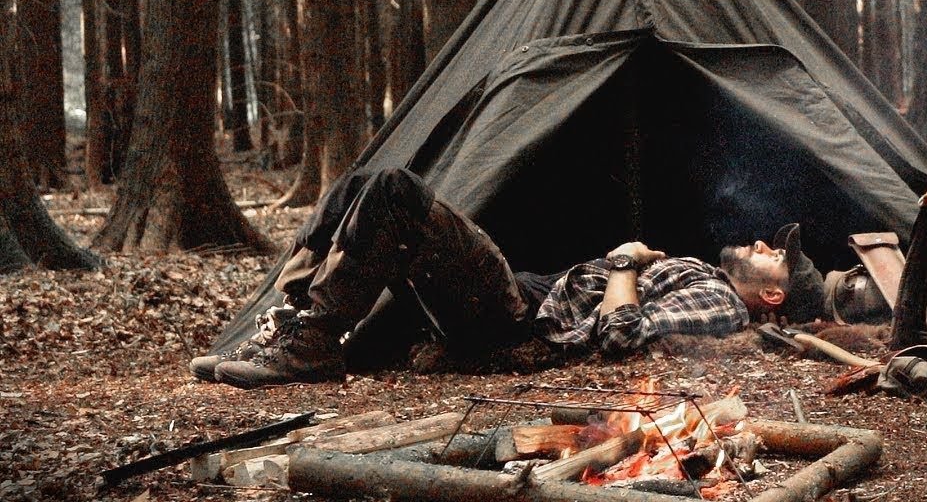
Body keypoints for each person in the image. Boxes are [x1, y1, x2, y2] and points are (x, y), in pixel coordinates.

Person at [194, 169, 825, 389]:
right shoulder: (703, 276)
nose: (762, 244)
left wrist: (624, 261)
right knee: (360, 184)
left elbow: (620, 334)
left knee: (396, 191)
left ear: (773, 294)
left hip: (513, 318)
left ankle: (311, 345)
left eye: (775, 256)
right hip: (512, 297)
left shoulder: (721, 303)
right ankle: (292, 325)